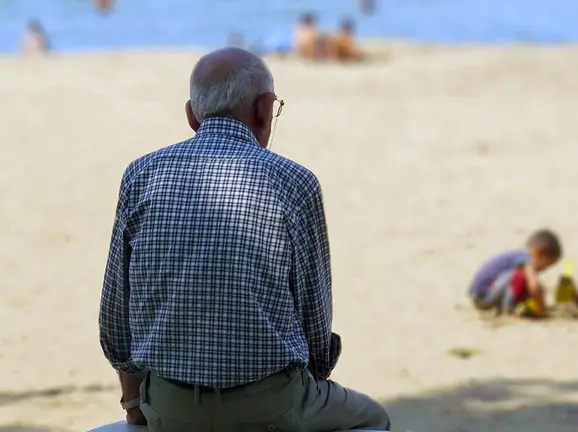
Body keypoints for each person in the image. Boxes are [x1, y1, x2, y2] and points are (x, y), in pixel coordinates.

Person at [98, 47, 390, 432]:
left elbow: (115, 317)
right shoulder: (295, 182)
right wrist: (312, 380)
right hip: (271, 406)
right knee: (374, 418)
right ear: (264, 110)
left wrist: (134, 402)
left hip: (170, 405)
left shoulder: (141, 175)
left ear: (192, 115)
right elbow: (314, 321)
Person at [467, 229, 562, 317]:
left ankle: (514, 308)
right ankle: (508, 311)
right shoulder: (526, 261)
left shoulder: (519, 256)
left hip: (486, 294)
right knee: (518, 276)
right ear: (539, 252)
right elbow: (534, 287)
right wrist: (542, 310)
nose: (545, 270)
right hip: (483, 296)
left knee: (524, 284)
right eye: (547, 265)